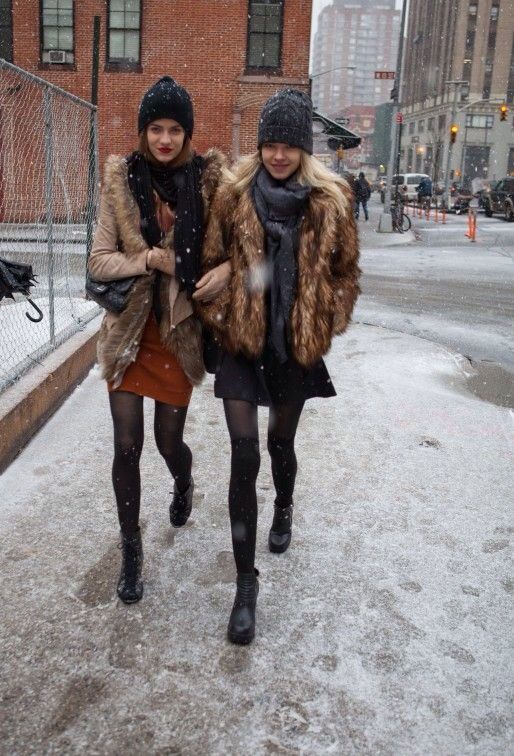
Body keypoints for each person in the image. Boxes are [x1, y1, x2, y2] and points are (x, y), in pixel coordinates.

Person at [199, 89, 361, 645]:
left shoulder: (330, 201)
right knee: (243, 454)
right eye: (270, 144)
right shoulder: (234, 196)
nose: (277, 155)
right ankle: (246, 583)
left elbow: (346, 273)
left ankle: (285, 505)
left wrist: (325, 317)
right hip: (242, 344)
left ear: (304, 149)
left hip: (293, 346)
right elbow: (211, 260)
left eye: (289, 145)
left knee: (279, 445)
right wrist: (224, 298)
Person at [88, 76, 229, 604]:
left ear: (188, 133)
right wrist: (149, 258)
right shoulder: (121, 182)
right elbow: (99, 259)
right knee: (127, 444)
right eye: (156, 128)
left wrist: (231, 269)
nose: (165, 139)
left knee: (169, 444)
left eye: (174, 130)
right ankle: (131, 549)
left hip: (176, 334)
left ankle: (183, 482)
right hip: (128, 332)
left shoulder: (211, 184)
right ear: (144, 131)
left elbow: (243, 247)